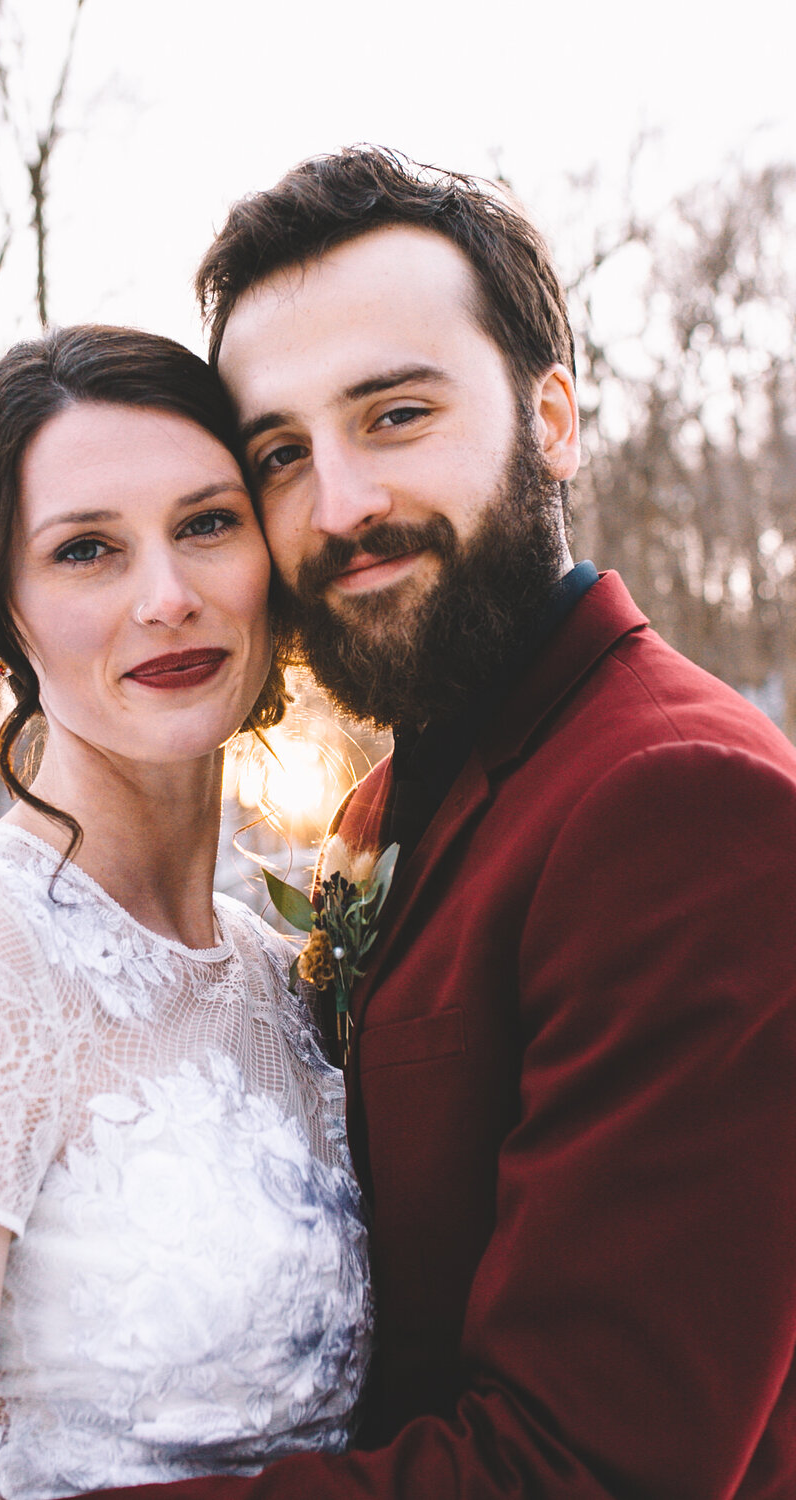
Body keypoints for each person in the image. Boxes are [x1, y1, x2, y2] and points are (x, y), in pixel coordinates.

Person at [77, 149, 796, 1499]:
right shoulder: (398, 797)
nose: (338, 506)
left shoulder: (688, 806)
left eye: (395, 415)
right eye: (280, 453)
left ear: (555, 420)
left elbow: (585, 1466)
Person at [0, 325, 372, 1500]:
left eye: (207, 524)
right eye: (87, 550)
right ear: (1, 623)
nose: (167, 597)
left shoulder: (286, 967)